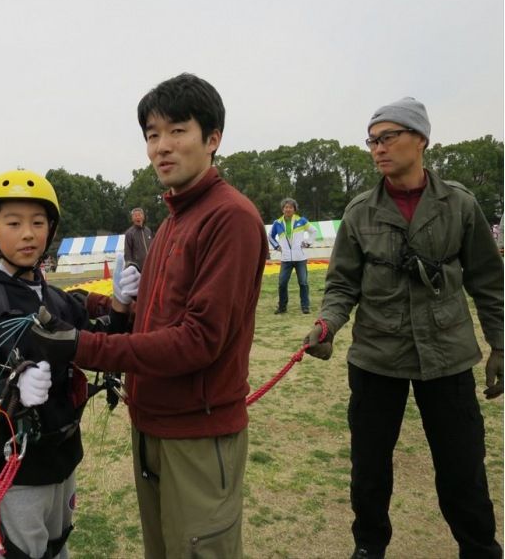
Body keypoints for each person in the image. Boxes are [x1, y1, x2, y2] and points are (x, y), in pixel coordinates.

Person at [30, 73, 268, 558]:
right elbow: (151, 317)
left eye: (177, 130)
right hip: (153, 423)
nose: (161, 146)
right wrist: (92, 305)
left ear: (213, 138)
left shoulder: (230, 218)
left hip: (198, 433)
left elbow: (198, 339)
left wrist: (82, 346)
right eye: (152, 134)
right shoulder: (173, 220)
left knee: (199, 550)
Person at [302, 97, 503, 559]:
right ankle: (369, 548)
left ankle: (480, 549)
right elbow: (341, 285)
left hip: (448, 356)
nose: (377, 149)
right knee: (369, 468)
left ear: (421, 139)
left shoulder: (460, 205)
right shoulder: (359, 212)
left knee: (462, 467)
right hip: (376, 357)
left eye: (388, 137)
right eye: (372, 140)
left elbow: (489, 283)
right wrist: (327, 324)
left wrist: (500, 345)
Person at [0, 169, 137, 559]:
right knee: (21, 552)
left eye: (38, 223)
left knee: (56, 545)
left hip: (61, 456)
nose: (28, 234)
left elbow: (97, 340)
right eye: (13, 223)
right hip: (14, 467)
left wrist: (119, 305)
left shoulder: (54, 298)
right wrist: (11, 388)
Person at [268, 198, 317, 314]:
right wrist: (276, 246)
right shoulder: (277, 223)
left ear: (294, 209)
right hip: (285, 259)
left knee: (303, 283)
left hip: (300, 258)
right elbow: (270, 236)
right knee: (282, 283)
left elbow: (313, 231)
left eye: (290, 207)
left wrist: (308, 243)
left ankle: (305, 306)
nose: (288, 209)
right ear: (282, 209)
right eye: (286, 207)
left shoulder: (302, 220)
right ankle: (282, 307)